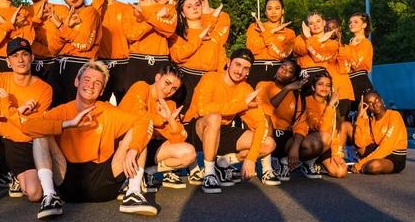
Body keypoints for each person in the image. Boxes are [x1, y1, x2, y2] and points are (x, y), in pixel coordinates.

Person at [21, 60, 157, 217]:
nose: (91, 85)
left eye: (97, 83)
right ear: (77, 82)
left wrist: (134, 150)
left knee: (139, 134)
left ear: (102, 91)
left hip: (104, 182)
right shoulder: (62, 111)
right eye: (86, 80)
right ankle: (50, 196)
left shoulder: (108, 111)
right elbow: (28, 127)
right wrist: (68, 124)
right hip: (67, 180)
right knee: (41, 132)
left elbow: (144, 123)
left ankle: (133, 192)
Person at [0, 37, 52, 205]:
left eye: (24, 54)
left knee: (34, 194)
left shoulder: (44, 89)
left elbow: (32, 127)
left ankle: (15, 177)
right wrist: (10, 112)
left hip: (22, 145)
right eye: (14, 56)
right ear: (8, 61)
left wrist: (8, 107)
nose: (20, 60)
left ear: (32, 58)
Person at [183, 49, 274, 194]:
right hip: (197, 128)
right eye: (237, 65)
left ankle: (223, 163)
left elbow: (261, 124)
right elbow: (204, 109)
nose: (240, 71)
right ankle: (209, 173)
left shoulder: (245, 88)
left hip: (222, 130)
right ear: (228, 62)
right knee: (215, 117)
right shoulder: (210, 77)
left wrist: (251, 158)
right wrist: (242, 104)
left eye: (246, 68)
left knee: (268, 143)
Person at [118, 65, 195, 190]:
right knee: (143, 129)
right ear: (157, 77)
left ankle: (148, 171)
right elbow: (139, 117)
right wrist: (162, 119)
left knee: (189, 153)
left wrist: (170, 119)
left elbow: (179, 139)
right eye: (167, 83)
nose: (168, 90)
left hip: (148, 147)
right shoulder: (141, 87)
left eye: (174, 88)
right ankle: (130, 184)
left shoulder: (170, 104)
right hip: (126, 143)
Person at [47, 0, 102, 104]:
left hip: (80, 67)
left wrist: (61, 27)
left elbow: (84, 44)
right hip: (57, 69)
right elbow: (53, 50)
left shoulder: (91, 12)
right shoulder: (66, 17)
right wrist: (66, 26)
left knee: (77, 110)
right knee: (56, 111)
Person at [256, 60, 307, 184]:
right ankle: (267, 169)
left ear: (293, 78)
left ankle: (285, 161)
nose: (284, 71)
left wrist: (295, 148)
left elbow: (301, 123)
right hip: (266, 134)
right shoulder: (263, 85)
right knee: (266, 117)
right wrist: (287, 89)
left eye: (289, 71)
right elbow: (266, 109)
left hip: (285, 138)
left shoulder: (297, 95)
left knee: (313, 143)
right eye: (283, 67)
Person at [292, 70, 350, 179]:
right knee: (325, 137)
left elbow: (334, 132)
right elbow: (322, 130)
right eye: (320, 84)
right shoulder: (305, 101)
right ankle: (307, 163)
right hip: (307, 143)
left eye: (328, 85)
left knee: (340, 172)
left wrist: (336, 154)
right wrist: (330, 106)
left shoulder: (331, 105)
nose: (324, 88)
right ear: (313, 87)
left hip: (324, 146)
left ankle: (315, 163)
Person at [124, 0, 176, 88]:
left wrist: (148, 17)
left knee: (161, 98)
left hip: (160, 61)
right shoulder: (130, 10)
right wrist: (156, 17)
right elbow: (131, 35)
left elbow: (169, 31)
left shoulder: (166, 8)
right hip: (137, 62)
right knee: (132, 98)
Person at [169, 0, 225, 108]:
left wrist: (221, 84)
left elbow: (221, 62)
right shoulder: (177, 35)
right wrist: (199, 38)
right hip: (187, 81)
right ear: (183, 13)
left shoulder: (214, 35)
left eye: (197, 5)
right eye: (189, 6)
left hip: (210, 81)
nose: (195, 8)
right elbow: (177, 56)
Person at [90, 0, 131, 103]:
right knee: (99, 105)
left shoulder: (126, 8)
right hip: (101, 64)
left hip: (124, 64)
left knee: (125, 104)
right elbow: (91, 21)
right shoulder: (92, 9)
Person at [18, 0, 60, 83]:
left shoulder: (61, 9)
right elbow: (23, 38)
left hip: (58, 63)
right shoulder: (23, 12)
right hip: (32, 64)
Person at [352, 91, 407, 175]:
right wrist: (360, 117)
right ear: (366, 107)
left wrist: (360, 165)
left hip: (394, 156)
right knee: (347, 126)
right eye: (370, 104)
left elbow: (386, 147)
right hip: (377, 151)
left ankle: (364, 166)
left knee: (374, 166)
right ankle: (364, 164)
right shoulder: (372, 120)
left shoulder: (394, 116)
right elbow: (360, 143)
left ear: (382, 100)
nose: (375, 105)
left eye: (377, 100)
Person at [246, 0, 295, 87]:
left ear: (282, 11)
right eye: (269, 8)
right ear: (265, 12)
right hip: (256, 70)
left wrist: (265, 34)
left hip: (279, 71)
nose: (273, 12)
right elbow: (253, 49)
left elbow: (282, 55)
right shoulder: (254, 27)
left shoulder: (289, 33)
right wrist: (272, 31)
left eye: (277, 8)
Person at [340, 13, 374, 110]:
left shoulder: (365, 43)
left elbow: (356, 65)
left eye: (356, 22)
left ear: (364, 25)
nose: (351, 24)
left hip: (360, 81)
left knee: (363, 112)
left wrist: (350, 48)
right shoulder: (350, 44)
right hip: (348, 82)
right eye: (350, 22)